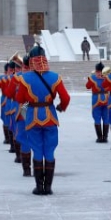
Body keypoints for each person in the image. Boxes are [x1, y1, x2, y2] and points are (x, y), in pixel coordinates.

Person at [12, 44, 71, 195]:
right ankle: (48, 187)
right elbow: (65, 98)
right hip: (50, 116)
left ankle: (39, 187)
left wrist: (24, 111)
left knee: (37, 150)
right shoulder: (55, 77)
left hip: (32, 117)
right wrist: (60, 107)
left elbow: (19, 99)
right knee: (49, 151)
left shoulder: (24, 78)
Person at [85, 62, 111, 144]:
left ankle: (99, 137)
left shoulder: (93, 78)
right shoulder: (108, 78)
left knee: (97, 118)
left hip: (96, 99)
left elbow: (87, 86)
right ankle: (105, 137)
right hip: (106, 99)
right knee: (106, 118)